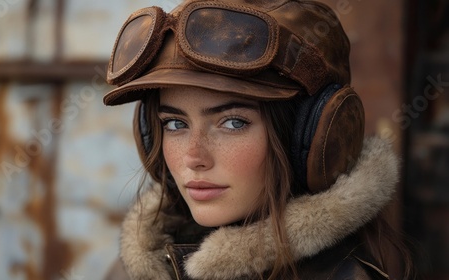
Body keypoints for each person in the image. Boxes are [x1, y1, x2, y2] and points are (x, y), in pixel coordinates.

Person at [102, 0, 413, 279]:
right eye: (174, 124)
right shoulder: (137, 266)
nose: (193, 157)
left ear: (314, 136)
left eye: (233, 122)